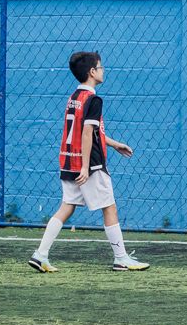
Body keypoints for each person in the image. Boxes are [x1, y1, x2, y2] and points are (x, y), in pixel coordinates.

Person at [29, 51, 146, 273]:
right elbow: (86, 132)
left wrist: (112, 143)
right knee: (109, 207)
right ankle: (121, 258)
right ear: (92, 72)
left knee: (67, 206)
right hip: (89, 163)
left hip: (68, 160)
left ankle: (40, 254)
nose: (103, 71)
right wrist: (85, 165)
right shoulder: (94, 99)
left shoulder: (74, 97)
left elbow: (90, 131)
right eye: (101, 67)